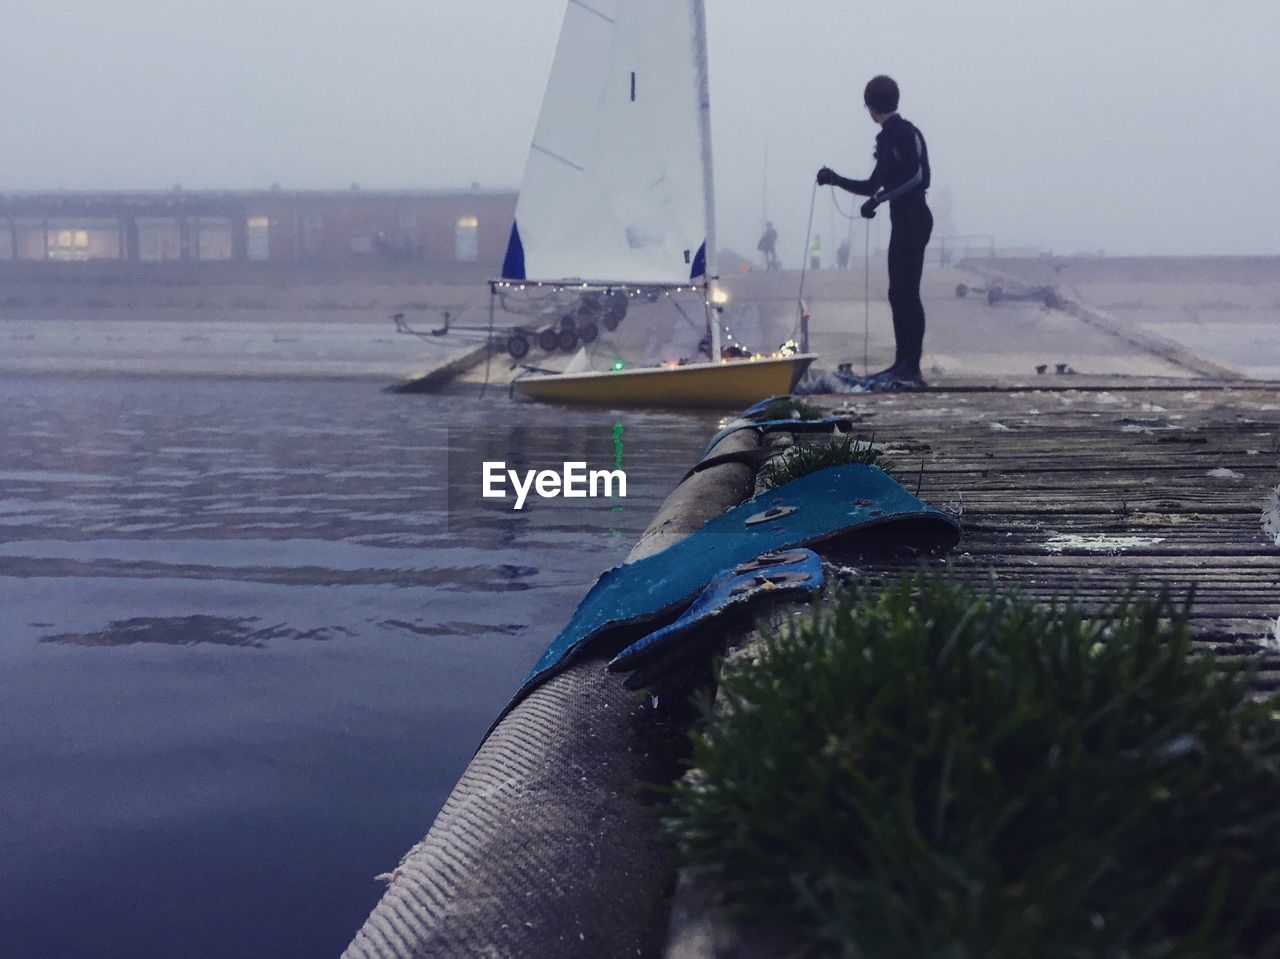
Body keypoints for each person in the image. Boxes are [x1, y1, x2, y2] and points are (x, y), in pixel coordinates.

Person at [818, 74, 932, 389]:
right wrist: (835, 179)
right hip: (903, 218)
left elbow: (917, 177)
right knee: (898, 292)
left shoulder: (904, 132)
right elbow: (872, 185)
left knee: (907, 291)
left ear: (871, 107)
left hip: (915, 217)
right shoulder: (886, 139)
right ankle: (901, 362)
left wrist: (878, 200)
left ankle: (912, 367)